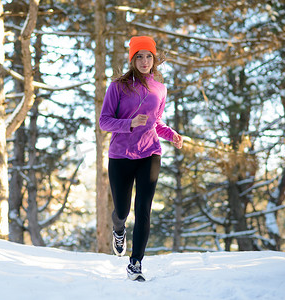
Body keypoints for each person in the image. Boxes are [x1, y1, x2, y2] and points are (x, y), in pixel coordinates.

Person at [99, 36, 183, 282]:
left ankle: (135, 263)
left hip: (150, 153)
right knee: (123, 211)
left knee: (143, 208)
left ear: (154, 58)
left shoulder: (160, 88)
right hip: (120, 155)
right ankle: (118, 230)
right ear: (132, 59)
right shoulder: (117, 86)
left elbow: (155, 122)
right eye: (139, 56)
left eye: (149, 56)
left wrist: (171, 135)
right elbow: (104, 121)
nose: (145, 61)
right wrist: (129, 124)